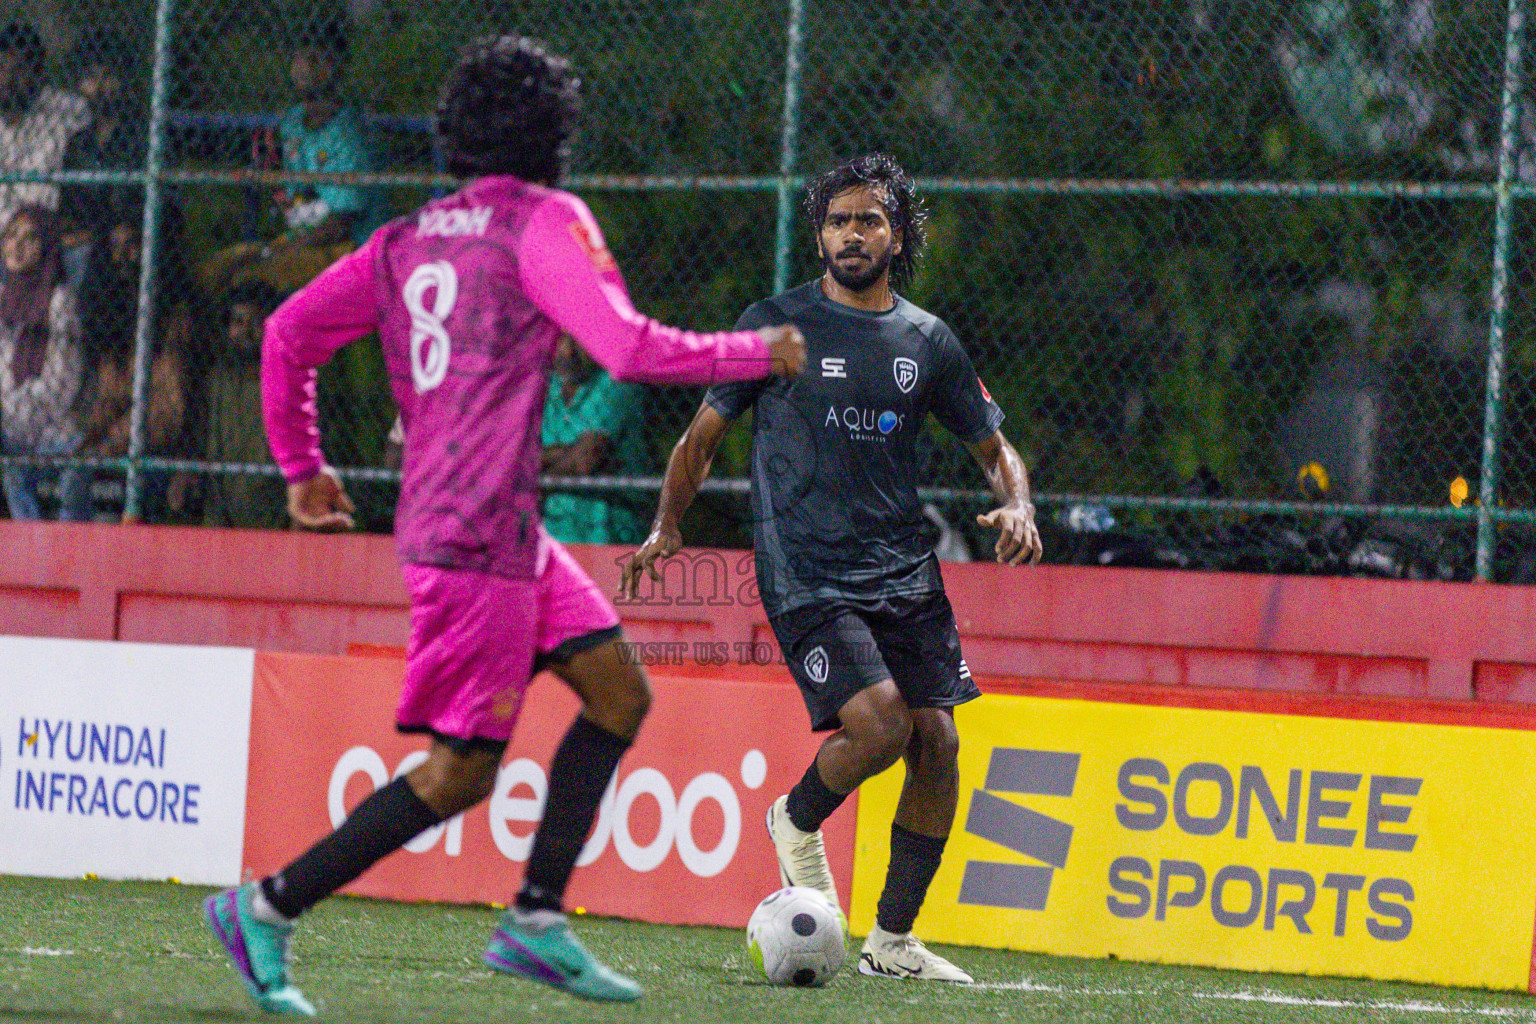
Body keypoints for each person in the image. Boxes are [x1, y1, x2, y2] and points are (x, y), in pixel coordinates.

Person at [202, 34, 805, 1015]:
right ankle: (265, 908)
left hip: (489, 530)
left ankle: (535, 919)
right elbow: (627, 345)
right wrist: (757, 349)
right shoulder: (543, 219)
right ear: (555, 130)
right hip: (475, 544)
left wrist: (303, 471)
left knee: (617, 692)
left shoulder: (406, 238)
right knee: (458, 775)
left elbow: (286, 336)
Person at [621, 153, 1043, 983]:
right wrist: (668, 526)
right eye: (839, 219)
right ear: (819, 230)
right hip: (804, 567)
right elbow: (701, 436)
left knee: (939, 741)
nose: (852, 233)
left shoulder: (928, 341)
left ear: (897, 235)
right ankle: (795, 818)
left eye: (870, 220)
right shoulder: (775, 325)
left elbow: (996, 450)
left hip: (906, 571)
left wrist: (1019, 503)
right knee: (881, 724)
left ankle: (892, 942)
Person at [199, 19, 374, 295]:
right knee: (216, 267)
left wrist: (277, 251)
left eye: (316, 58)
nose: (303, 67)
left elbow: (340, 225)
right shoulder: (292, 122)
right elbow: (291, 197)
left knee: (253, 276)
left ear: (336, 67)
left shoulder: (348, 133)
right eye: (299, 56)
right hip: (298, 238)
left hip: (346, 247)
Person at [75, 205, 196, 522]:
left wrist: (103, 449)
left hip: (166, 450)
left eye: (133, 244)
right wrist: (86, 445)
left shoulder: (176, 312)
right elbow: (108, 397)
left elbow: (169, 409)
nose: (122, 256)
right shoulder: (113, 317)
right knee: (73, 476)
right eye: (114, 247)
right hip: (121, 442)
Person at [0, 205, 90, 520]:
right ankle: (26, 538)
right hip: (10, 425)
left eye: (30, 238)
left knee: (74, 456)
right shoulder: (1, 298)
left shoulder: (59, 300)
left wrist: (17, 407)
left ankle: (68, 548)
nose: (17, 246)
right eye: (11, 236)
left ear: (46, 247)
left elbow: (62, 382)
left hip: (51, 425)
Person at [57, 29, 146, 288]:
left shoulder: (141, 138)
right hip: (88, 241)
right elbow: (69, 208)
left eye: (108, 76)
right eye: (91, 78)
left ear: (124, 81)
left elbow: (146, 209)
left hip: (126, 242)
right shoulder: (79, 142)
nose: (99, 87)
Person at [541, 333, 649, 544]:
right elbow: (519, 456)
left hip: (608, 537)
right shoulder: (545, 387)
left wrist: (536, 477)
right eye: (560, 339)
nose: (568, 352)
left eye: (578, 339)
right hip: (552, 536)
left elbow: (586, 460)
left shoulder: (616, 382)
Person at [202, 280, 286, 528]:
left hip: (272, 520)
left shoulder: (286, 382)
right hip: (222, 515)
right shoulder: (218, 381)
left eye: (256, 323)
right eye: (238, 322)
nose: (247, 332)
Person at [0, 22, 90, 238]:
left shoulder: (67, 109)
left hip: (46, 236)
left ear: (38, 73)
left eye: (20, 70)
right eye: (2, 68)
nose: (9, 80)